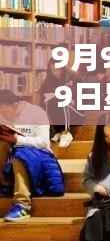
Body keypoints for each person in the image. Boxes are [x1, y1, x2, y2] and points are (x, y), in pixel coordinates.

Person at [0, 89, 64, 222]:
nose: (3, 115)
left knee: (20, 154)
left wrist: (18, 140)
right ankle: (4, 186)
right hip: (13, 153)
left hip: (40, 156)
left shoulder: (36, 113)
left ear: (15, 105)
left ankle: (22, 204)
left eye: (4, 112)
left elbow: (44, 143)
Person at [38, 58, 84, 148]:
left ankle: (66, 133)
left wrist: (71, 99)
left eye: (57, 69)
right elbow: (42, 100)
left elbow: (82, 96)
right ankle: (56, 133)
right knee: (51, 104)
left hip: (75, 110)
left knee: (62, 103)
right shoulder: (48, 80)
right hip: (55, 110)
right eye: (52, 70)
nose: (55, 72)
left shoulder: (74, 77)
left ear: (63, 68)